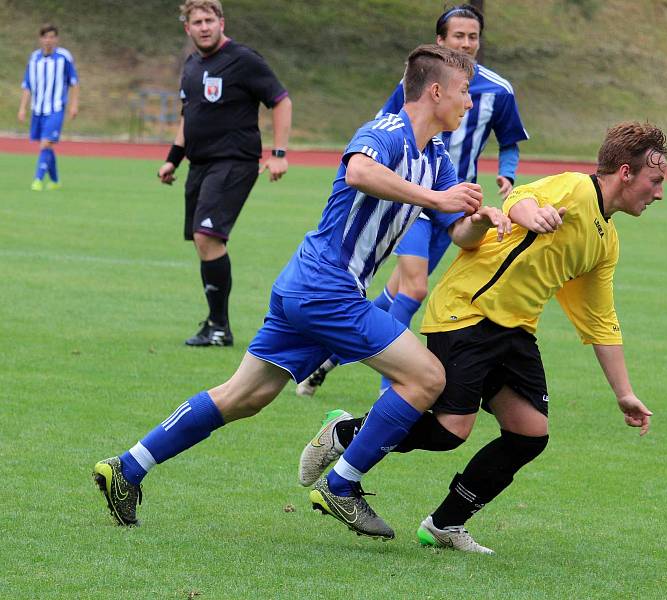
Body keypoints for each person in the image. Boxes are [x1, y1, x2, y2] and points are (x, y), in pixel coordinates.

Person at [93, 44, 520, 541]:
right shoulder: (384, 131)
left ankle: (127, 466)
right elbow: (359, 171)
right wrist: (434, 198)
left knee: (243, 397)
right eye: (465, 92)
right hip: (326, 287)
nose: (470, 104)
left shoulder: (437, 157)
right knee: (426, 378)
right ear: (436, 91)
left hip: (311, 285)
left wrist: (483, 220)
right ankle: (342, 484)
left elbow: (455, 227)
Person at [299, 121, 667, 553]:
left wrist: (623, 393)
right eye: (655, 180)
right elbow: (520, 198)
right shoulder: (576, 189)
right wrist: (530, 214)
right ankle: (345, 433)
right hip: (467, 311)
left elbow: (600, 319)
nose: (659, 193)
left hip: (515, 330)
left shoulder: (607, 242)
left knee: (529, 434)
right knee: (450, 431)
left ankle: (444, 524)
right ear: (625, 172)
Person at [296, 3, 528, 396]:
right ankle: (394, 385)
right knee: (415, 288)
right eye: (459, 36)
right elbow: (382, 134)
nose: (467, 43)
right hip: (411, 198)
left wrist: (505, 173)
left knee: (396, 291)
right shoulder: (418, 89)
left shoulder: (498, 91)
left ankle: (330, 357)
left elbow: (510, 142)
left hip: (452, 197)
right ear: (440, 42)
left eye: (473, 37)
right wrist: (431, 196)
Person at [157, 0, 293, 347]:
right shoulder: (190, 66)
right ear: (187, 28)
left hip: (234, 161)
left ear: (221, 22)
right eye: (196, 22)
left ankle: (220, 327)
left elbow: (281, 100)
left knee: (207, 237)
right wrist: (173, 158)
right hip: (200, 164)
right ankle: (216, 325)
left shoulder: (244, 59)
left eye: (209, 20)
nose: (203, 27)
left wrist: (278, 153)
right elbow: (190, 117)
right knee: (204, 242)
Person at [18, 24, 79, 192]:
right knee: (48, 146)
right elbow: (27, 85)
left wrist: (74, 105)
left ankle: (37, 179)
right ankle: (55, 180)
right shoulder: (34, 58)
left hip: (56, 108)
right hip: (37, 109)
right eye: (45, 37)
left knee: (45, 144)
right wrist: (22, 108)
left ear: (56, 39)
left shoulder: (63, 57)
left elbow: (74, 82)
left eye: (52, 37)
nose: (48, 40)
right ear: (40, 39)